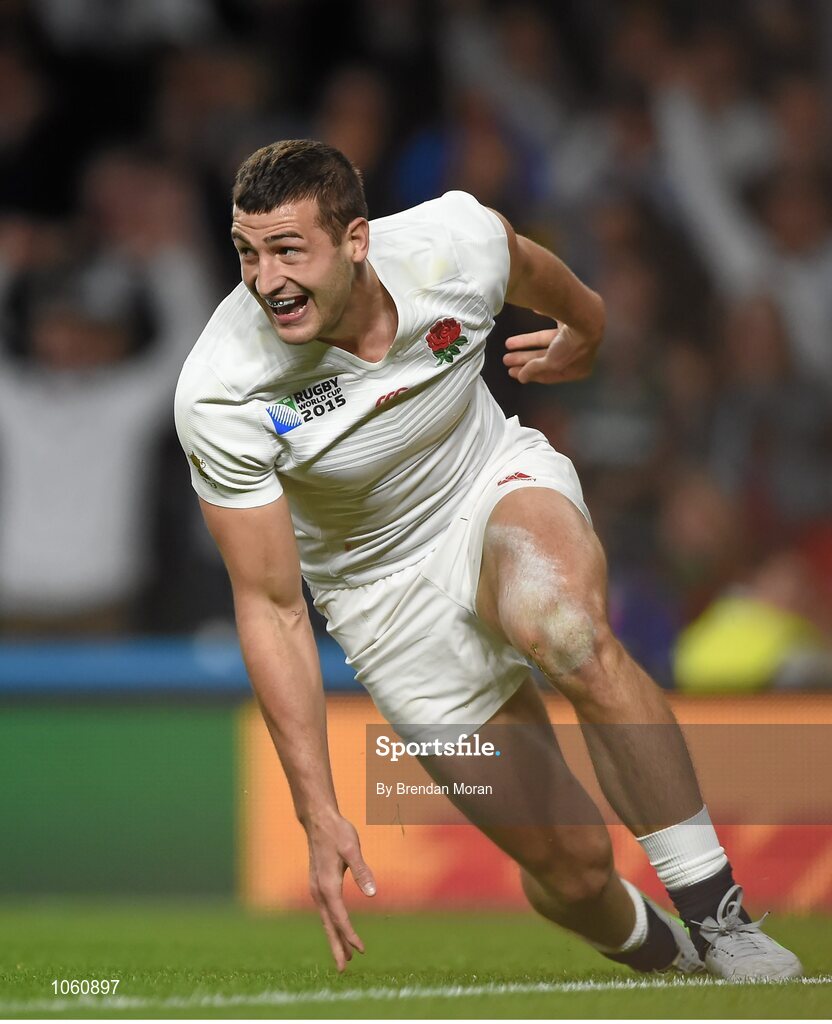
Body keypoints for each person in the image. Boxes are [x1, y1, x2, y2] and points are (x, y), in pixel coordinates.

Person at [174, 139, 802, 980]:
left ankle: (722, 920)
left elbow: (561, 290)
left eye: (289, 250)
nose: (266, 280)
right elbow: (273, 608)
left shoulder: (452, 243)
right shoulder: (222, 388)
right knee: (571, 867)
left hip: (489, 487)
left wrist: (588, 332)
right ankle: (671, 956)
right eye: (247, 253)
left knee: (567, 631)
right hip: (379, 602)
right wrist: (317, 809)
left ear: (356, 240)